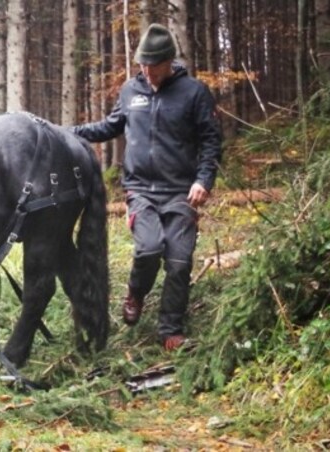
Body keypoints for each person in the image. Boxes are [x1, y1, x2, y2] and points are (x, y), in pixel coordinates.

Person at [70, 23, 222, 351]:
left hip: (182, 190)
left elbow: (211, 141)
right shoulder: (130, 91)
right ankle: (136, 293)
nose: (146, 71)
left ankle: (170, 330)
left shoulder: (194, 92)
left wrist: (203, 181)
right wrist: (70, 132)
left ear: (168, 62)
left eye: (153, 66)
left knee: (180, 262)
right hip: (140, 189)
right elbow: (110, 126)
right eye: (142, 65)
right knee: (149, 248)